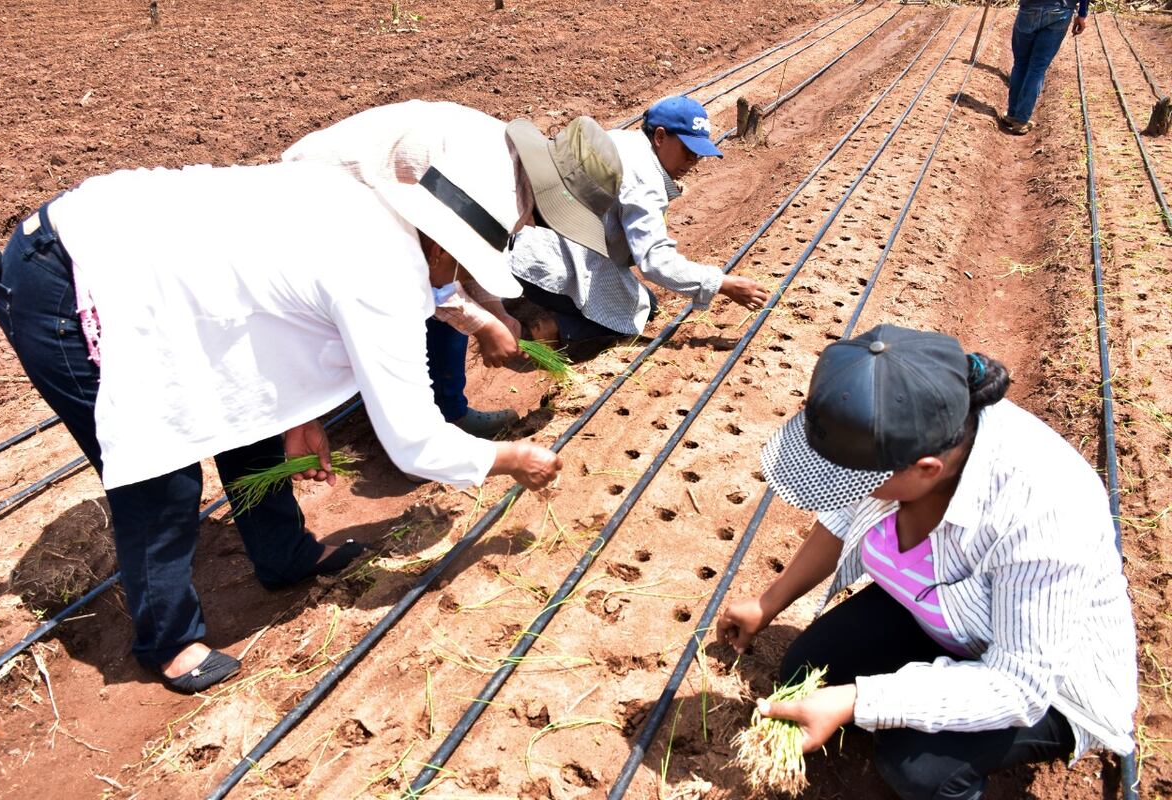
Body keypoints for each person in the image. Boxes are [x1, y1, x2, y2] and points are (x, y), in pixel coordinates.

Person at [0, 143, 563, 693]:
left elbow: (262, 313)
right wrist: (512, 459)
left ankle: (283, 556)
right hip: (72, 274)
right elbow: (414, 442)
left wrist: (295, 413)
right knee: (160, 470)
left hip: (167, 279)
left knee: (249, 424)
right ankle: (167, 642)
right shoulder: (378, 273)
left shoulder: (378, 216)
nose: (459, 275)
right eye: (463, 261)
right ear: (440, 245)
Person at [716, 324, 1136, 799]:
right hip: (942, 616)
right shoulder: (903, 425)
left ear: (924, 470)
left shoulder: (1044, 510)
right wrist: (767, 603)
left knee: (916, 769)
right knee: (803, 669)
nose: (846, 488)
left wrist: (860, 702)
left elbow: (1019, 686)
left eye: (853, 478)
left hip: (1047, 680)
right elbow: (841, 514)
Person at [284, 100, 623, 436]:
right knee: (399, 315)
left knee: (450, 306)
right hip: (321, 204)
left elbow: (463, 261)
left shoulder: (513, 170)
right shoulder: (491, 191)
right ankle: (417, 440)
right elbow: (428, 277)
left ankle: (446, 413)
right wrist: (484, 326)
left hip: (365, 198)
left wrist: (496, 313)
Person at [507, 96, 770, 360]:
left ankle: (548, 303)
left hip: (531, 246)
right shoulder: (645, 181)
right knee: (636, 316)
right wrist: (722, 284)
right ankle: (551, 330)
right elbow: (656, 262)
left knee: (645, 302)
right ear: (660, 136)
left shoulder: (626, 140)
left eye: (698, 155)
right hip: (548, 266)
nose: (693, 162)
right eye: (688, 152)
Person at [999, 0, 1087, 135]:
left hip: (1030, 8)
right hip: (1060, 12)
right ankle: (1021, 119)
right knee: (1037, 67)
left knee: (1021, 63)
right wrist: (1082, 14)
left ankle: (1012, 114)